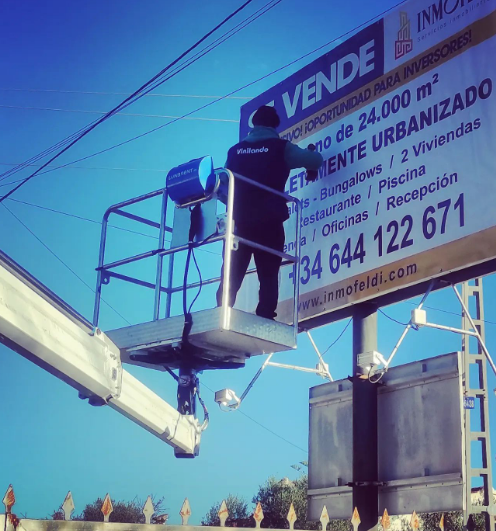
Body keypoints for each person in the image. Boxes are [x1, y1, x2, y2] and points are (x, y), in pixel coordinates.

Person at [216, 105, 323, 320]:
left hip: (239, 222)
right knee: (268, 272)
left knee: (231, 272)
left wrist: (235, 203)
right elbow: (314, 160)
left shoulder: (234, 151)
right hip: (269, 220)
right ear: (275, 125)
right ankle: (265, 315)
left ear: (254, 124)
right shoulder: (281, 147)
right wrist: (311, 160)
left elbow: (222, 185)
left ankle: (221, 313)